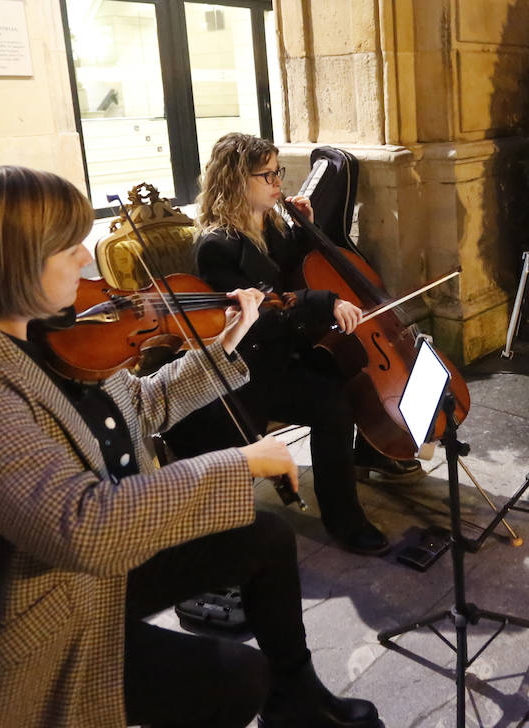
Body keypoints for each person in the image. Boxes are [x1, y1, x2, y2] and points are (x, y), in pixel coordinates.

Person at [0, 164, 379, 728]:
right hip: (8, 630)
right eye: (66, 247)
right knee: (233, 679)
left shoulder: (41, 330)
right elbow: (82, 527)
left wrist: (222, 347)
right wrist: (239, 460)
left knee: (261, 537)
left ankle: (300, 703)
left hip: (70, 578)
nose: (84, 259)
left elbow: (142, 406)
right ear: (6, 263)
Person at [165, 133, 414, 557]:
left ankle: (368, 452)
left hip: (289, 347)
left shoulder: (270, 222)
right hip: (252, 368)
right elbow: (261, 313)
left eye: (278, 171)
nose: (278, 182)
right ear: (236, 181)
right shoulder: (217, 246)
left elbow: (297, 270)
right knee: (331, 401)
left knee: (351, 372)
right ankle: (345, 521)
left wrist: (306, 226)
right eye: (268, 175)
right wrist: (324, 303)